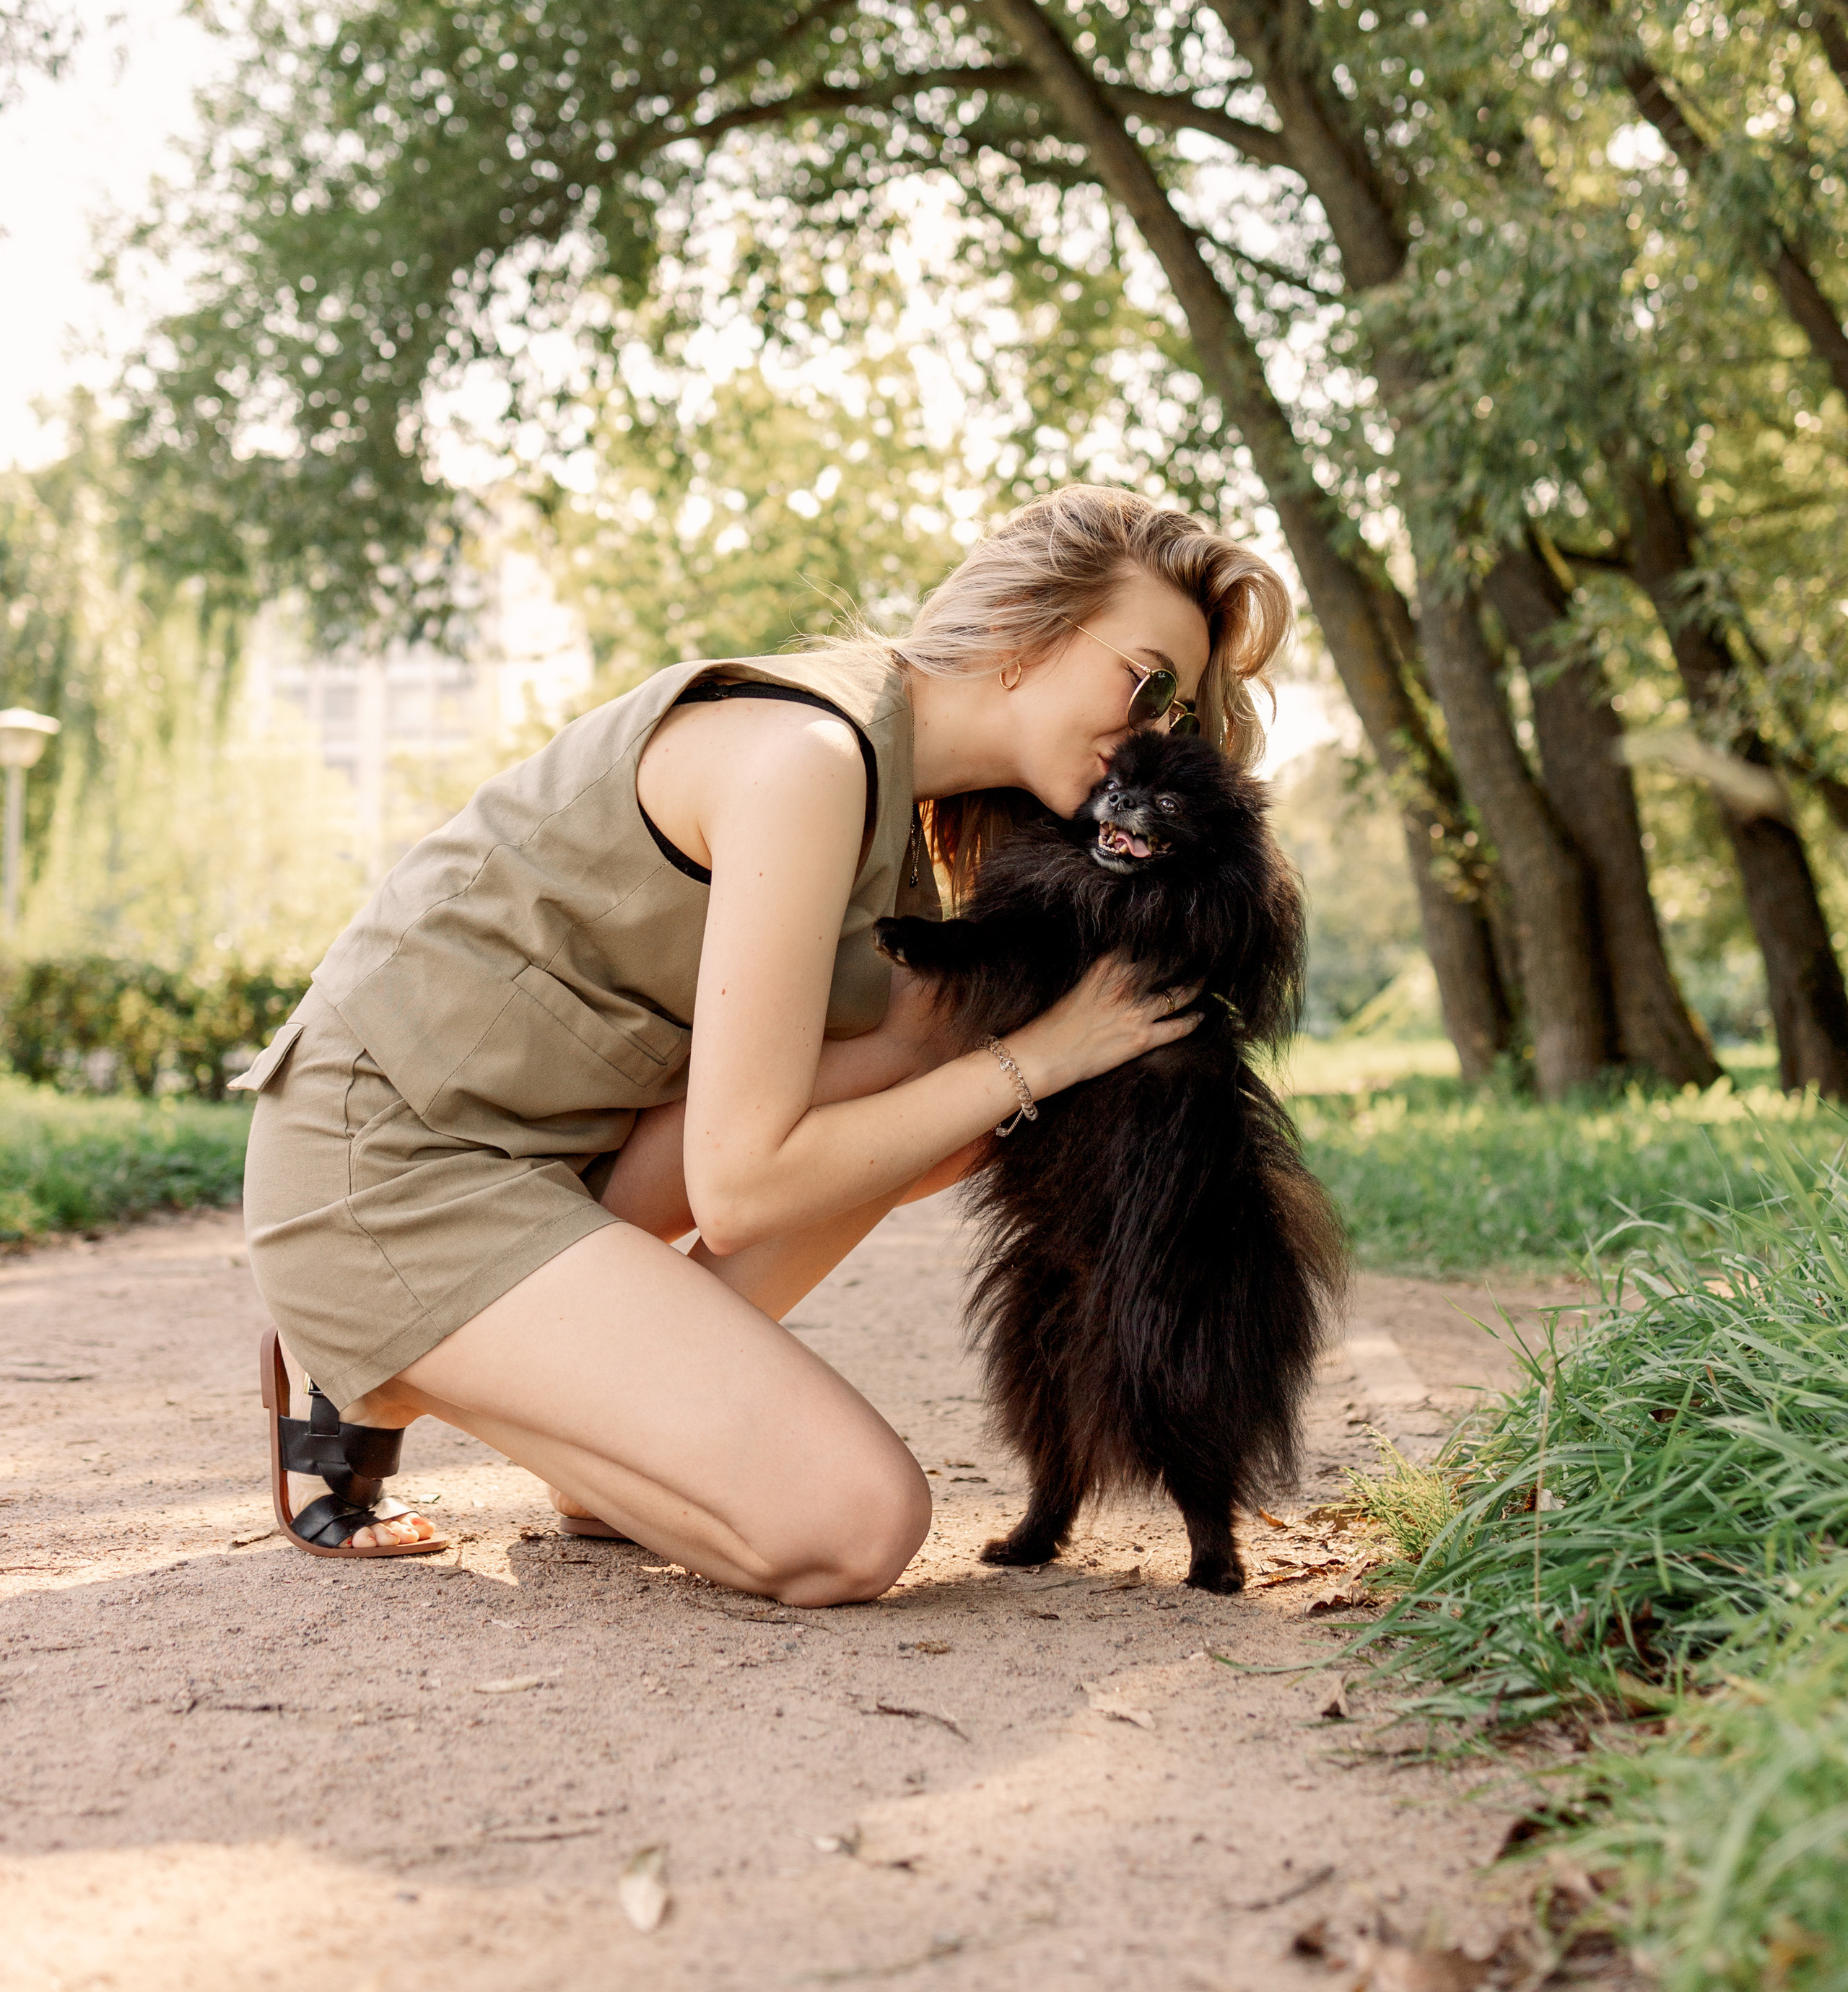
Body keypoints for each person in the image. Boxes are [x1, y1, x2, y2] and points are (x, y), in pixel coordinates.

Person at [243, 485, 1290, 1604]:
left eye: (1181, 718)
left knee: (936, 1065)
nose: (1156, 733)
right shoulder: (809, 758)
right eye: (1149, 682)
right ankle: (374, 1367)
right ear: (1029, 631)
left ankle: (592, 1436)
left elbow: (895, 1118)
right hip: (391, 1172)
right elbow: (742, 1187)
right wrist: (1043, 1058)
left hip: (532, 1162)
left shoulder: (904, 808)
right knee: (853, 1524)